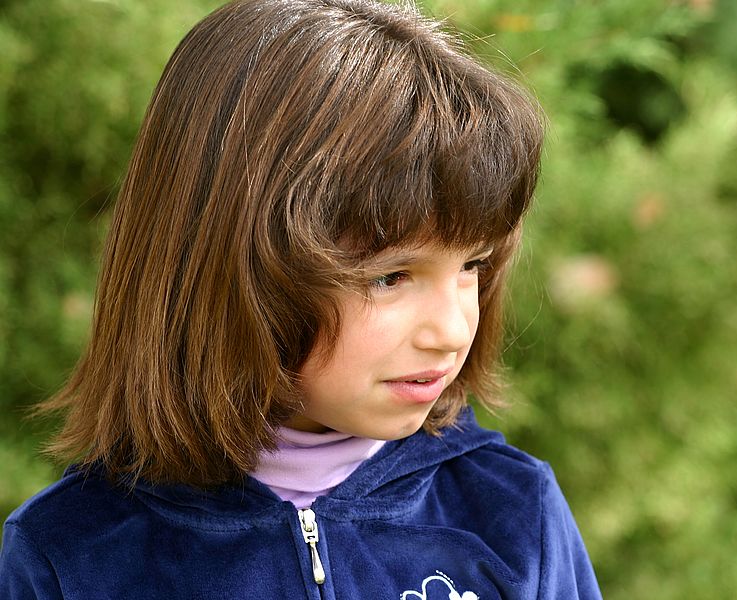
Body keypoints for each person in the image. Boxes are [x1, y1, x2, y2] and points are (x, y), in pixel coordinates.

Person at [0, 0, 602, 597]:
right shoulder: (72, 554)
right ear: (235, 270)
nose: (450, 330)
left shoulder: (514, 515)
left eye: (472, 264)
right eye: (389, 277)